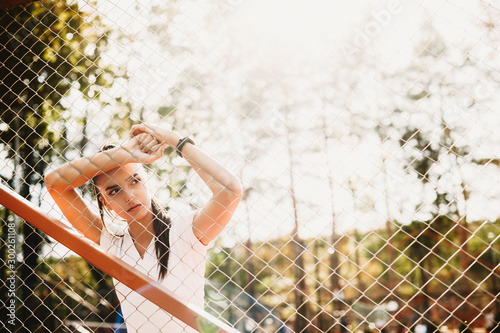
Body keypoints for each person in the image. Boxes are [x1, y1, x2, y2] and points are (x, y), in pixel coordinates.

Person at [44, 123, 242, 332]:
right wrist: (122, 153)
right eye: (114, 191)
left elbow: (230, 190)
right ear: (104, 201)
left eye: (134, 181)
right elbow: (54, 183)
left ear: (147, 182)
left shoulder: (185, 230)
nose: (128, 196)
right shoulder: (112, 241)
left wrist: (173, 139)